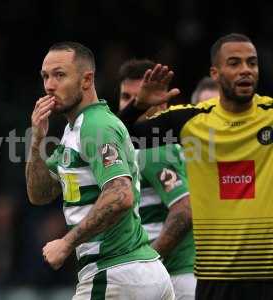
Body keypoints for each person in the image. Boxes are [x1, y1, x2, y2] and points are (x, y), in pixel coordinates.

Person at [118, 33, 273, 300]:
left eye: (252, 63)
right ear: (215, 72)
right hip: (214, 277)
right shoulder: (192, 120)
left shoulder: (270, 115)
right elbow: (122, 138)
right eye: (234, 63)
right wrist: (138, 106)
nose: (245, 69)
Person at [26, 42, 174, 299]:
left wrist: (66, 242)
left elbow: (120, 195)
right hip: (137, 274)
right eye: (46, 76)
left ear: (86, 80)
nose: (49, 85)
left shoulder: (96, 126)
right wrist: (37, 140)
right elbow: (39, 194)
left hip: (116, 273)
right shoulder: (75, 130)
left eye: (60, 75)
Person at [118, 59, 196, 300]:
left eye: (141, 96)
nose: (135, 104)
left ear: (161, 103)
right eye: (126, 97)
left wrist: (147, 263)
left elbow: (184, 210)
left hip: (174, 278)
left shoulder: (153, 150)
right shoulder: (133, 150)